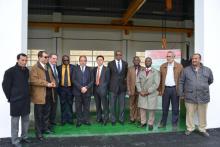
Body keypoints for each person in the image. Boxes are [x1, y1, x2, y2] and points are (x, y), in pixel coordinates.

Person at [179, 53, 213, 137]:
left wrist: (201, 86)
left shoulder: (207, 70)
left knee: (202, 114)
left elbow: (210, 80)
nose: (194, 60)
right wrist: (181, 93)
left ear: (200, 59)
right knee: (189, 114)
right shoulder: (186, 70)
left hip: (203, 96)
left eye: (196, 58)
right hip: (189, 96)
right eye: (193, 58)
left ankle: (202, 129)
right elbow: (181, 82)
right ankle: (190, 128)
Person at [2, 53, 31, 147]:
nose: (24, 62)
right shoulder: (10, 71)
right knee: (15, 121)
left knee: (26, 120)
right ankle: (14, 140)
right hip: (16, 100)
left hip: (26, 100)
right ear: (17, 60)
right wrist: (10, 97)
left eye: (26, 60)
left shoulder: (27, 71)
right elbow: (5, 86)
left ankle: (24, 137)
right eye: (22, 60)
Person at [30, 51, 56, 141]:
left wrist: (53, 82)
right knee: (39, 115)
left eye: (47, 57)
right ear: (39, 57)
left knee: (46, 114)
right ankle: (38, 133)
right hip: (39, 96)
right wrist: (47, 84)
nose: (47, 59)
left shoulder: (47, 67)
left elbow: (52, 78)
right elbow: (33, 80)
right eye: (45, 57)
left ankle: (45, 129)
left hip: (48, 94)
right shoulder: (34, 68)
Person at [158, 51, 183, 130]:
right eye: (167, 56)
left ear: (173, 57)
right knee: (164, 107)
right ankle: (163, 123)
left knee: (175, 108)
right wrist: (159, 90)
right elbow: (160, 79)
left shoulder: (179, 66)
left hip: (175, 89)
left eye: (169, 56)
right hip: (165, 89)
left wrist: (181, 91)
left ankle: (174, 123)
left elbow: (182, 80)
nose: (168, 58)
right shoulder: (162, 66)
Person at [136, 57, 160, 130]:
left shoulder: (155, 72)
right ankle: (143, 123)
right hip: (142, 93)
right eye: (146, 61)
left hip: (151, 93)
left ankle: (150, 124)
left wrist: (148, 91)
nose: (147, 62)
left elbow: (156, 84)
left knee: (151, 109)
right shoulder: (141, 71)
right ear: (145, 62)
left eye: (149, 61)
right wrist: (140, 91)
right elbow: (137, 82)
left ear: (151, 62)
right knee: (142, 109)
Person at [72, 55, 94, 127]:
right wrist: (81, 87)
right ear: (79, 61)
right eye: (81, 60)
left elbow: (92, 80)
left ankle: (86, 120)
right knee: (78, 107)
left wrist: (86, 87)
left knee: (86, 107)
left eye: (84, 60)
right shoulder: (75, 69)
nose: (83, 62)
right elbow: (73, 80)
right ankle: (79, 121)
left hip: (87, 92)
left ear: (86, 61)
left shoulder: (90, 69)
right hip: (78, 92)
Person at [108, 50, 128, 125]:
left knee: (122, 105)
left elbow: (126, 75)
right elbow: (108, 76)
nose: (119, 56)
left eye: (120, 55)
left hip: (122, 88)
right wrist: (109, 86)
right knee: (112, 105)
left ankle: (121, 119)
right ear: (115, 55)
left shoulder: (125, 63)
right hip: (112, 88)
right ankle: (113, 120)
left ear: (121, 55)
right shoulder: (110, 64)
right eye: (117, 55)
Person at [57, 55, 74, 125]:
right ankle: (63, 120)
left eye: (67, 60)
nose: (66, 61)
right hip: (62, 88)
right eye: (64, 60)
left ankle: (70, 120)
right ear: (62, 61)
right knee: (63, 104)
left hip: (70, 88)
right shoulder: (58, 68)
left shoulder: (73, 67)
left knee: (70, 104)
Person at [93, 55, 110, 125]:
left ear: (103, 61)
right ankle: (99, 118)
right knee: (98, 105)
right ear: (96, 61)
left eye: (101, 60)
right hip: (95, 90)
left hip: (103, 90)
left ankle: (105, 119)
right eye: (98, 60)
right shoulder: (94, 69)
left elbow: (108, 80)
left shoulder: (107, 69)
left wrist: (103, 88)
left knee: (105, 106)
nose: (99, 61)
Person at [127, 56, 143, 124]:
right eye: (135, 60)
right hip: (132, 89)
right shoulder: (130, 69)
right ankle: (132, 118)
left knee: (139, 105)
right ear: (133, 61)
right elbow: (128, 80)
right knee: (132, 105)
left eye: (137, 60)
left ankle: (139, 118)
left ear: (139, 61)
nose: (136, 61)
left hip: (140, 90)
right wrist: (128, 90)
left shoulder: (143, 69)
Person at [48, 53, 59, 130]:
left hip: (55, 90)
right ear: (49, 59)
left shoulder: (55, 67)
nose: (55, 60)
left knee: (54, 107)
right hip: (49, 90)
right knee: (49, 107)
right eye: (53, 58)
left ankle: (52, 121)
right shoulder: (47, 67)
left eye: (56, 59)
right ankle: (48, 124)